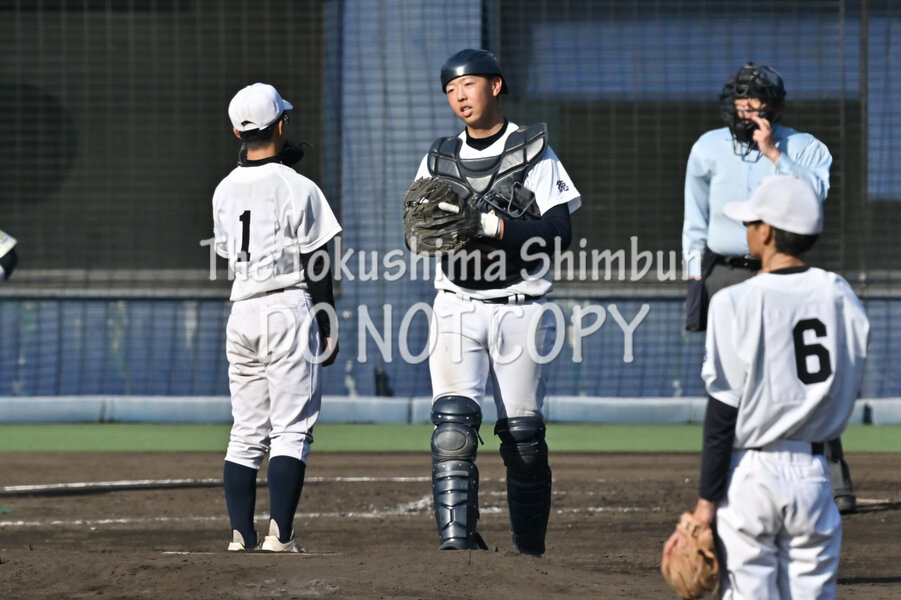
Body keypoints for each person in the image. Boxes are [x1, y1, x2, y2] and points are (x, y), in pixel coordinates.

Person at [410, 49, 581, 556]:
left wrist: (490, 225)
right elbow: (416, 231)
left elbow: (559, 233)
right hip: (456, 302)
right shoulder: (439, 158)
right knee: (452, 427)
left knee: (523, 435)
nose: (459, 96)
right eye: (450, 89)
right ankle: (457, 546)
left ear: (496, 86)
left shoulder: (534, 151)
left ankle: (529, 556)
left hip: (520, 306)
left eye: (468, 84)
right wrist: (436, 231)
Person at [667, 174, 869, 598]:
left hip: (753, 476)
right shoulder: (840, 295)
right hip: (815, 475)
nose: (747, 229)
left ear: (768, 232)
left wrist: (705, 505)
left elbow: (722, 412)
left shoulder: (735, 301)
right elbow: (848, 383)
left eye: (752, 221)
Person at [682, 62, 857, 514]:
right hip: (724, 274)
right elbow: (694, 220)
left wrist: (774, 153)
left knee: (802, 374)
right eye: (739, 103)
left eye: (754, 103)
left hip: (782, 269)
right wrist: (695, 277)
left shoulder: (806, 148)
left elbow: (813, 200)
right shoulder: (707, 147)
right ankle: (729, 476)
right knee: (728, 379)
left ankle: (835, 479)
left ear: (774, 108)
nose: (745, 111)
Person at [212, 82, 342, 552]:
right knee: (292, 429)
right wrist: (326, 321)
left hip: (242, 311)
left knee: (246, 431)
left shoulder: (223, 189)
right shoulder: (298, 185)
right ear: (281, 125)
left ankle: (240, 535)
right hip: (287, 307)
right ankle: (280, 536)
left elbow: (226, 250)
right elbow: (318, 260)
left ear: (237, 132)